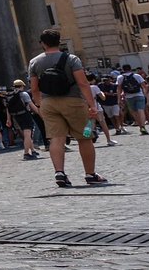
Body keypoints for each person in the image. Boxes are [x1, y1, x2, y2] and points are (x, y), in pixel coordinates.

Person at [28, 29, 106, 187]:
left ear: (42, 43)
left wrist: (39, 105)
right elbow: (83, 83)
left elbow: (34, 88)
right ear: (59, 41)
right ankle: (90, 174)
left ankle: (59, 172)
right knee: (85, 137)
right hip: (73, 101)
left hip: (48, 103)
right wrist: (92, 106)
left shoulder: (34, 62)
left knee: (56, 138)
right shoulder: (72, 59)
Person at [117, 68, 149, 135]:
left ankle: (140, 126)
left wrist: (119, 99)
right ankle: (143, 126)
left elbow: (119, 89)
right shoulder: (137, 76)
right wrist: (145, 94)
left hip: (129, 97)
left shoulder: (120, 77)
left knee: (133, 112)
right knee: (141, 111)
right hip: (139, 95)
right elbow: (144, 86)